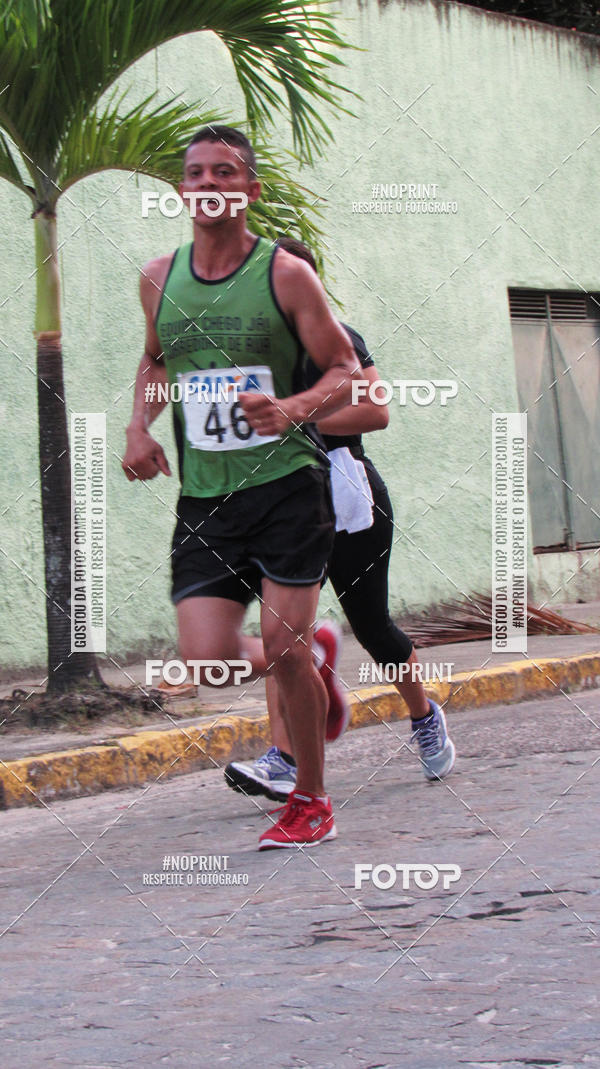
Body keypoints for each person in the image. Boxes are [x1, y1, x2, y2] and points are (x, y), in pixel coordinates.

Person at [122, 126, 361, 850]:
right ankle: (312, 655)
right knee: (207, 660)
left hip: (288, 485)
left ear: (248, 191)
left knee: (280, 650)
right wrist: (140, 426)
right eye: (195, 173)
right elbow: (155, 361)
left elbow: (345, 369)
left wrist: (290, 408)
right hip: (206, 496)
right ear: (183, 190)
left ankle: (311, 801)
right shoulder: (159, 277)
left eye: (224, 171)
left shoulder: (286, 273)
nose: (207, 182)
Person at [224, 237, 456, 803]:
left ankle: (423, 717)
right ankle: (282, 759)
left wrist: (298, 421)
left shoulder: (338, 340)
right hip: (283, 503)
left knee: (374, 628)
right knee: (282, 634)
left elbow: (375, 411)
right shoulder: (250, 350)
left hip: (349, 499)